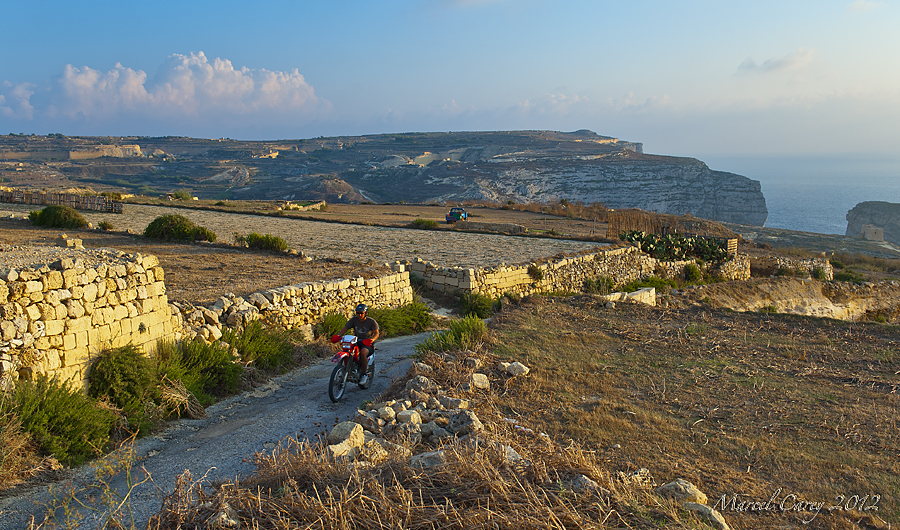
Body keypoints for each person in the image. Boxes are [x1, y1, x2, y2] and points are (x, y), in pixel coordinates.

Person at [334, 303, 379, 386]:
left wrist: (372, 340)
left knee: (363, 353)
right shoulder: (354, 320)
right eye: (358, 313)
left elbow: (376, 333)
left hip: (367, 343)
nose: (359, 315)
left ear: (365, 313)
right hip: (356, 341)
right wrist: (339, 335)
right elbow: (345, 328)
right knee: (348, 351)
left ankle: (364, 374)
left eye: (361, 313)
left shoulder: (371, 321)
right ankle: (347, 370)